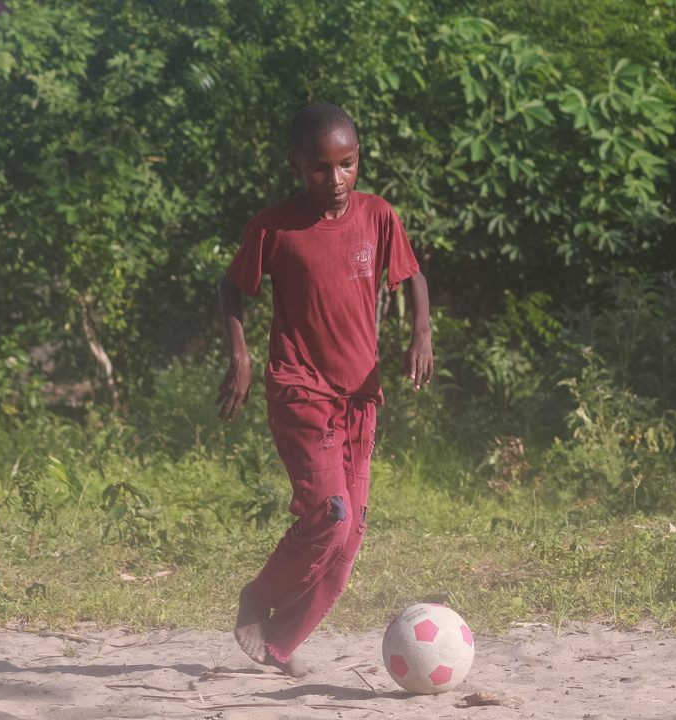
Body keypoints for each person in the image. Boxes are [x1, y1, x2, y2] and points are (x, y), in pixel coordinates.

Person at [215, 102, 433, 677]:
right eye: (319, 167)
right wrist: (239, 354)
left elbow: (413, 275)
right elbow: (231, 287)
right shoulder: (274, 227)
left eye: (347, 163)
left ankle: (278, 642)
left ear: (358, 160)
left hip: (360, 395)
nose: (335, 178)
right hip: (300, 389)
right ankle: (258, 596)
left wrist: (422, 333)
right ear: (296, 165)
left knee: (349, 538)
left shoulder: (377, 215)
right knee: (330, 517)